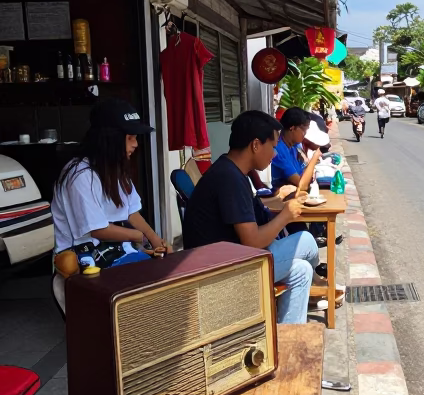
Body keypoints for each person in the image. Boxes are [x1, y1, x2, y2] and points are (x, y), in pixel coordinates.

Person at [181, 110, 325, 324]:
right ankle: (321, 282)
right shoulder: (229, 178)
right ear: (256, 145)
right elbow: (252, 240)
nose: (275, 154)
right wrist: (286, 215)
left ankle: (288, 335)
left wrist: (279, 204)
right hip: (221, 270)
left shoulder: (231, 171)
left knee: (301, 270)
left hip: (232, 257)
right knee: (305, 240)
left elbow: (256, 220)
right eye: (273, 147)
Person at [51, 98, 170, 269]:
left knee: (166, 268)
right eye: (130, 138)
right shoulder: (79, 175)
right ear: (110, 139)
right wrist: (138, 236)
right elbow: (98, 230)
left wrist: (157, 242)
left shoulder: (115, 168)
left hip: (116, 252)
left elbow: (131, 213)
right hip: (83, 260)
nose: (136, 144)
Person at [270, 107, 326, 192]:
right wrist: (315, 157)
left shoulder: (295, 146)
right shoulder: (279, 151)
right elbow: (302, 185)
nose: (305, 134)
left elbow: (304, 173)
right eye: (304, 130)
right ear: (292, 128)